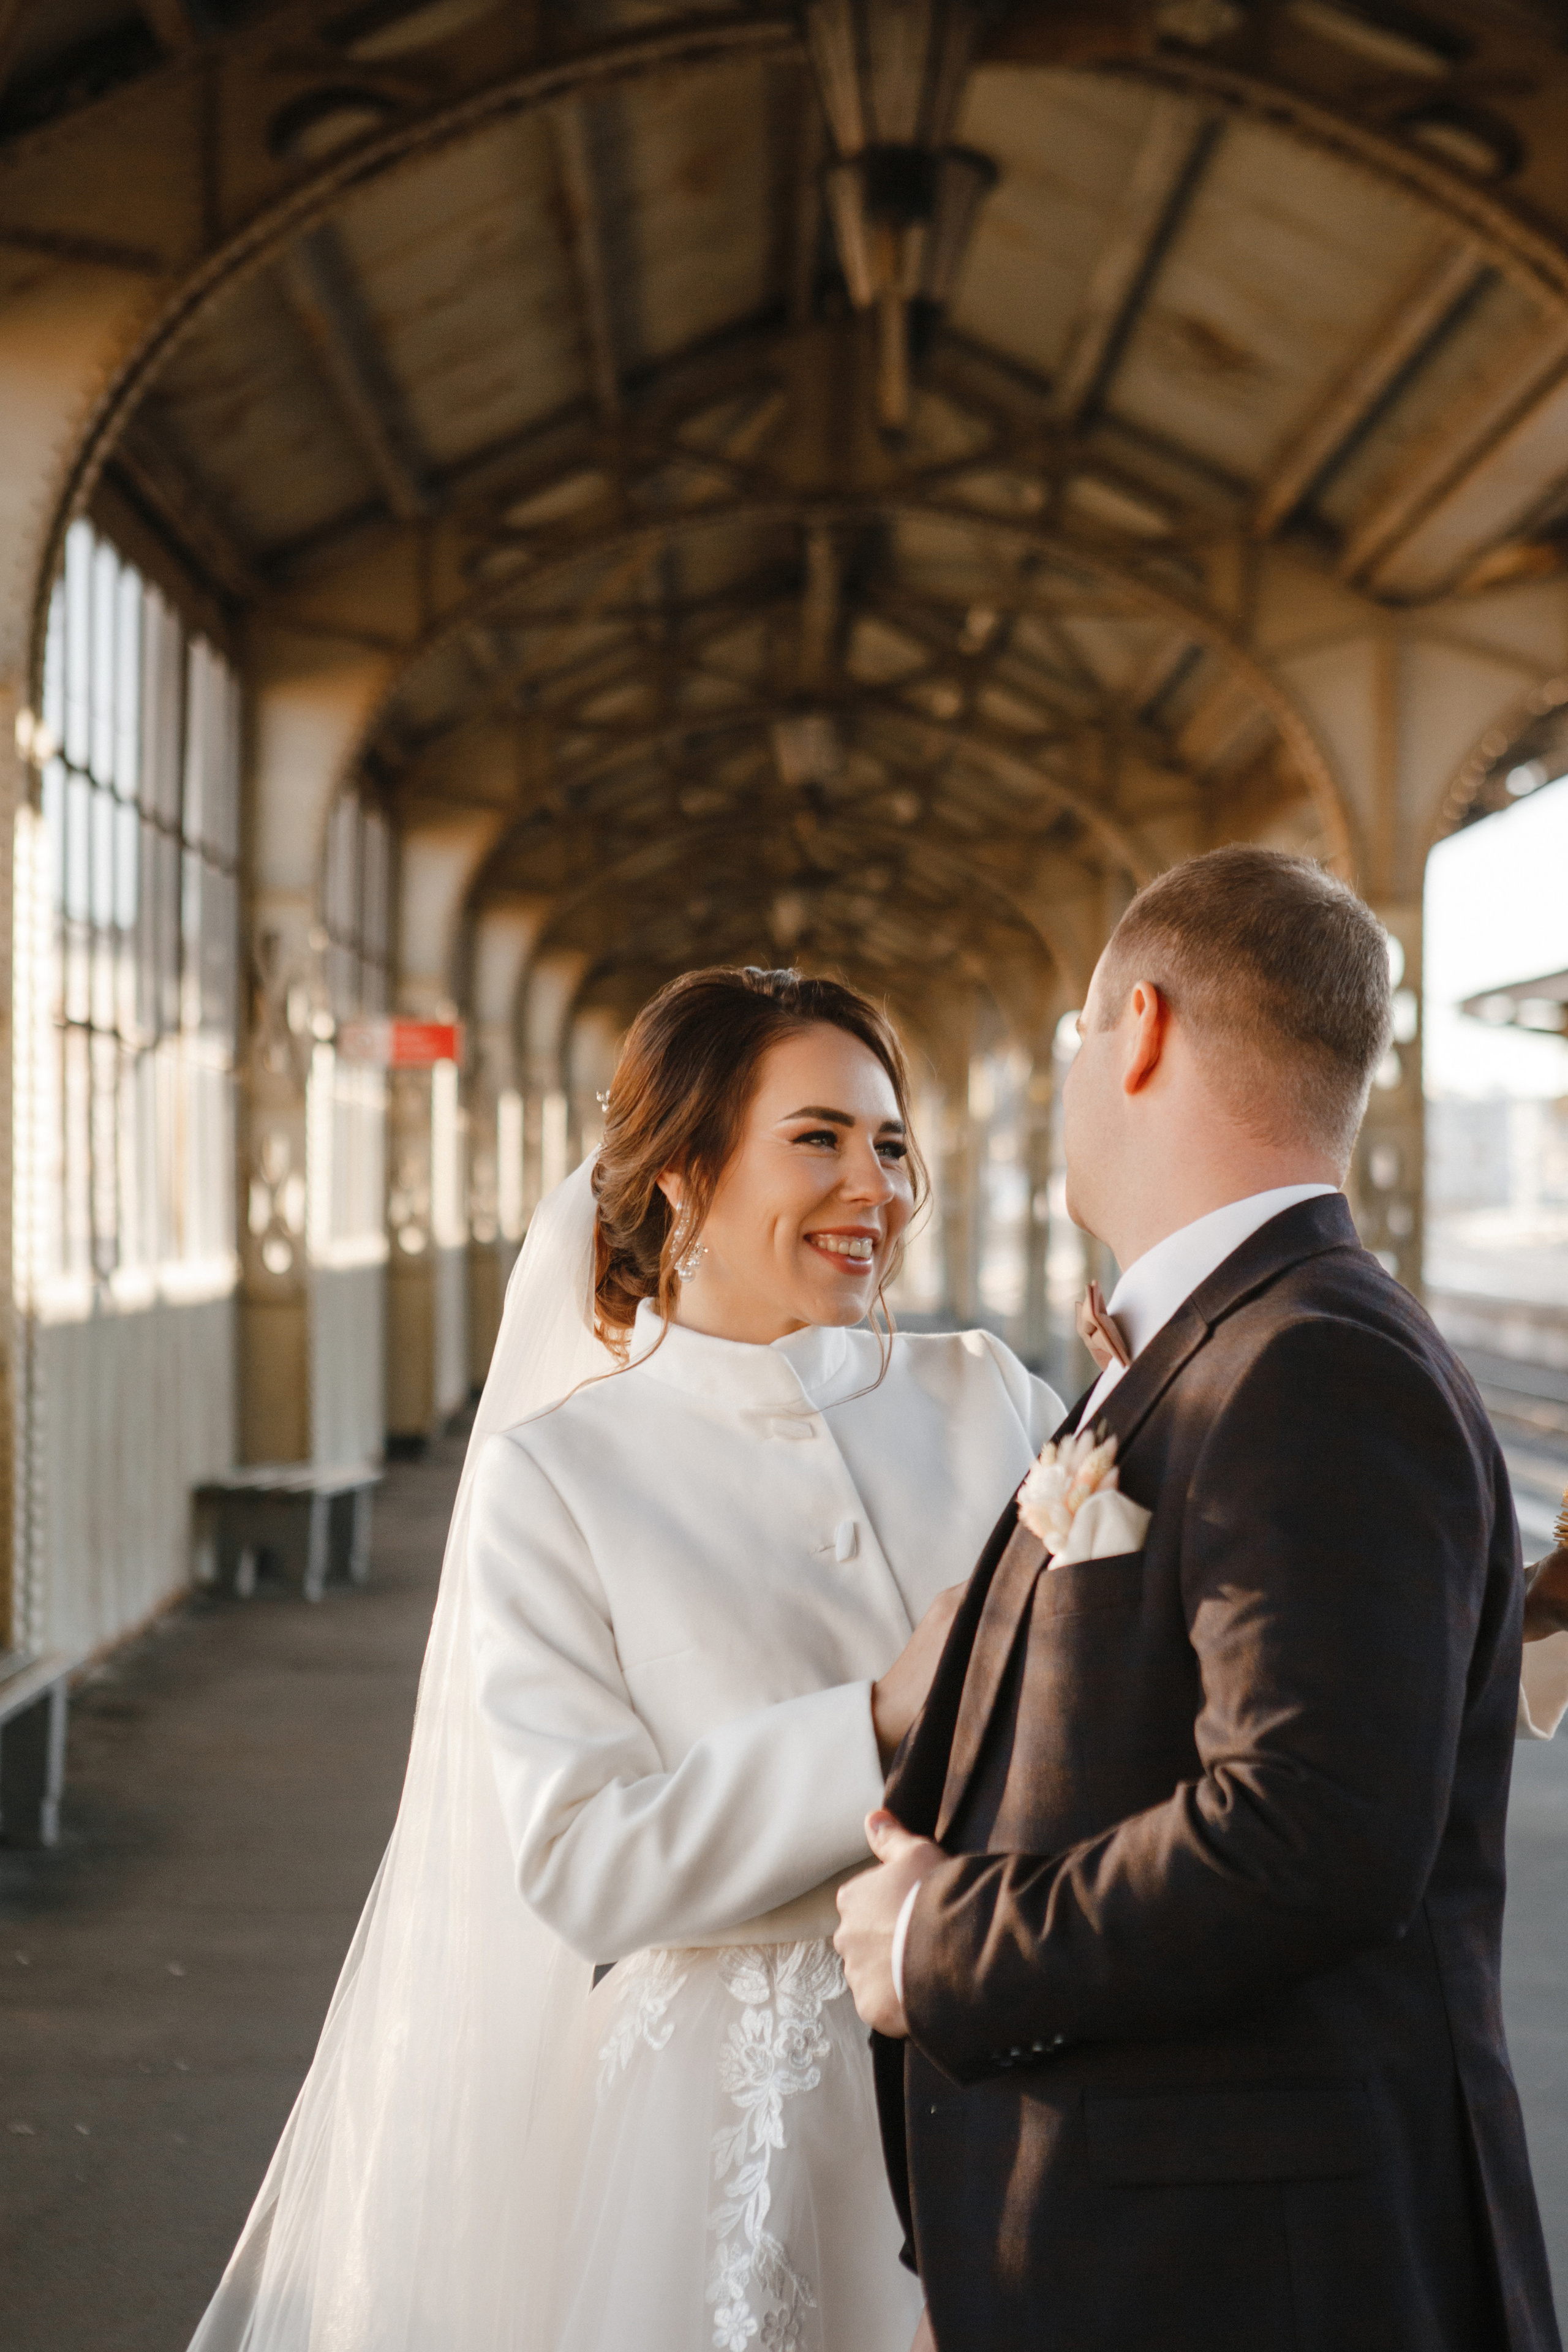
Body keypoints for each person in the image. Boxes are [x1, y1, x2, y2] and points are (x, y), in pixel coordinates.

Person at [187, 964, 1061, 2352]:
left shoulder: (993, 1400)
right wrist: (877, 1721)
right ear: (679, 1175)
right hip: (739, 2135)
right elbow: (582, 1864)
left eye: (890, 1143)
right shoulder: (563, 1475)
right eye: (818, 1139)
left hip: (1031, 2067)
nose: (874, 1187)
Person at [836, 845, 1561, 2352]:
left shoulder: (1312, 1364)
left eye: (1079, 1037)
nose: (1074, 1076)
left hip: (1244, 2275)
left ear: (1144, 1027)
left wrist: (935, 1942)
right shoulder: (1229, 1343)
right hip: (1141, 2247)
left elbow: (1307, 1832)